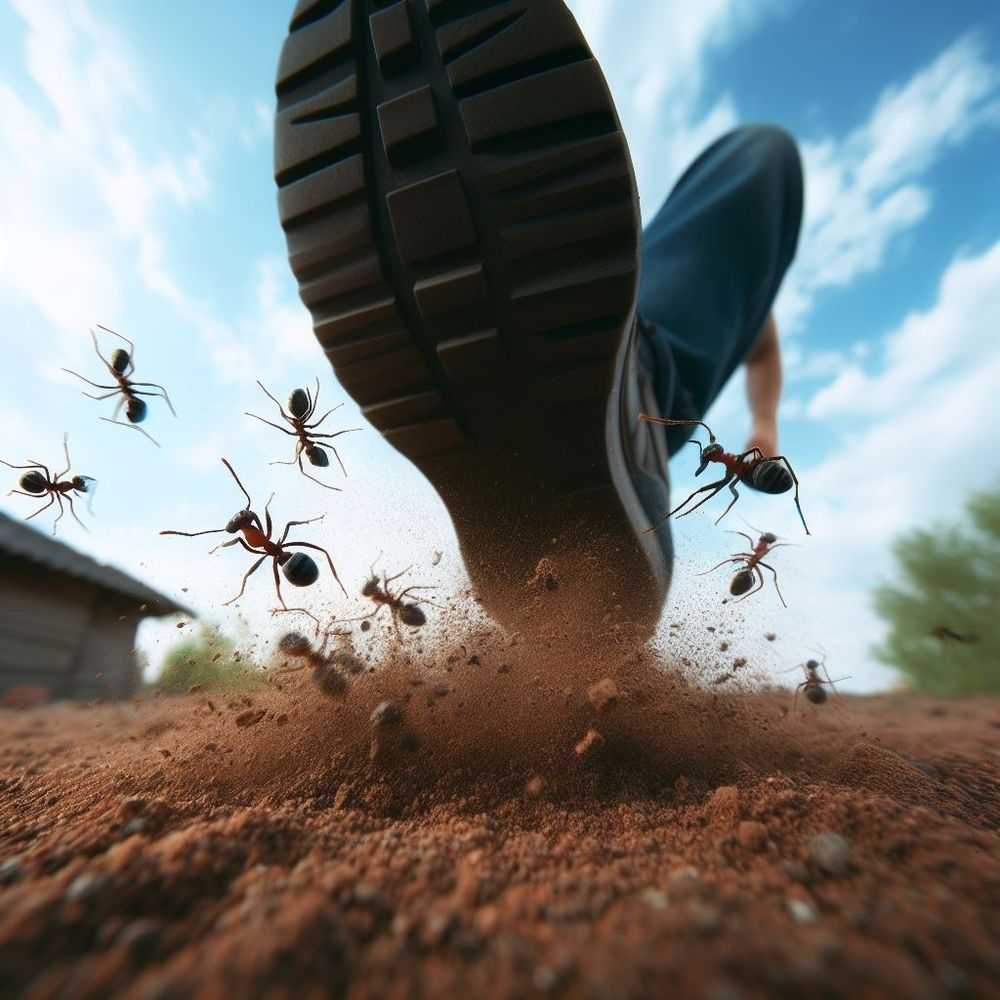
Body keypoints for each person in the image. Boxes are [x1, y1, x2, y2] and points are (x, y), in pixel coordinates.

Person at [272, 0, 802, 655]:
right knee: (761, 157)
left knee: (744, 174)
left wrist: (762, 432)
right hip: (643, 335)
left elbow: (761, 336)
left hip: (633, 337)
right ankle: (625, 390)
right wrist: (761, 430)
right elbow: (759, 332)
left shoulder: (705, 288)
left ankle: (599, 421)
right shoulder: (675, 263)